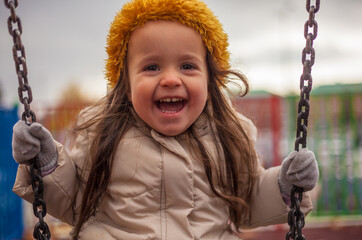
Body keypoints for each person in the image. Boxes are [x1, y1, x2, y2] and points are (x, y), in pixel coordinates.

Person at [11, 0, 319, 239]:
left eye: (187, 66)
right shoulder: (105, 132)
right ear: (126, 84)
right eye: (152, 67)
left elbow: (248, 201)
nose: (171, 79)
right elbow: (75, 201)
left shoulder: (229, 134)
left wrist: (285, 186)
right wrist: (47, 164)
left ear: (210, 79)